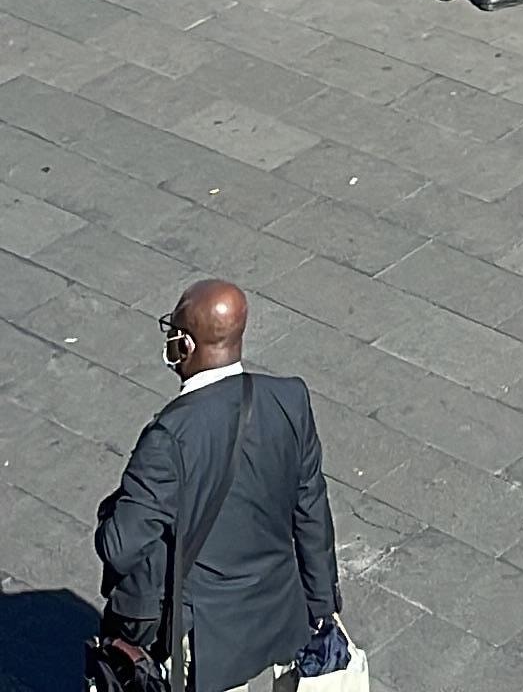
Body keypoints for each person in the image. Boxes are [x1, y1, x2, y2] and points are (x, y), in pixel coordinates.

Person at [95, 278, 344, 692]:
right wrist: (322, 609)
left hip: (210, 639)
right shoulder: (289, 399)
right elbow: (312, 511)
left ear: (186, 347)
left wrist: (112, 509)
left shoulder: (168, 436)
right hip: (279, 615)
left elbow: (119, 547)